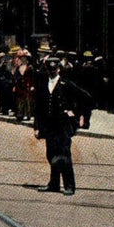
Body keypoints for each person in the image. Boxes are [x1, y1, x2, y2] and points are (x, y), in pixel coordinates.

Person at [32, 57, 90, 196]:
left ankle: (69, 185)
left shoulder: (66, 84)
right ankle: (54, 184)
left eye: (54, 69)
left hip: (63, 125)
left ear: (58, 69)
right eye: (49, 69)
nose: (51, 71)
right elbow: (38, 108)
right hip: (49, 125)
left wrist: (76, 113)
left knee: (64, 155)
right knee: (51, 154)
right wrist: (36, 126)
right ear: (46, 70)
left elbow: (86, 97)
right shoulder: (43, 84)